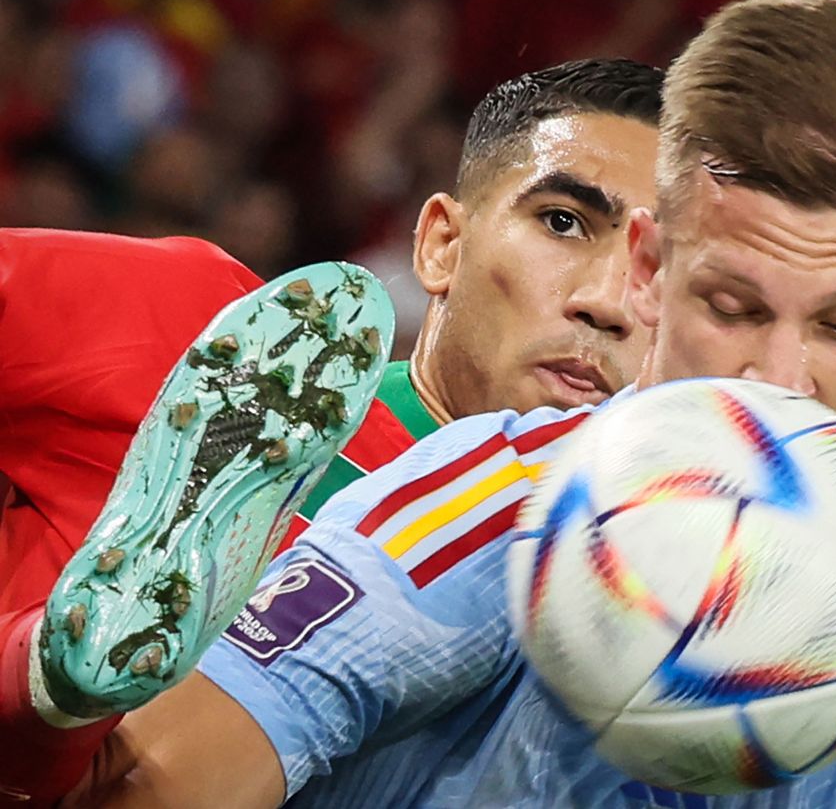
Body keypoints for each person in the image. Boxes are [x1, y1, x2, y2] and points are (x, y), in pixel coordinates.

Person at [77, 0, 836, 806]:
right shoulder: (471, 517)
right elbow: (158, 787)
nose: (778, 384)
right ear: (649, 271)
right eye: (734, 305)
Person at [0, 58, 663, 804]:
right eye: (563, 223)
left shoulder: (627, 608)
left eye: (660, 266)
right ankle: (49, 674)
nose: (609, 303)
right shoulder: (227, 342)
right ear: (441, 244)